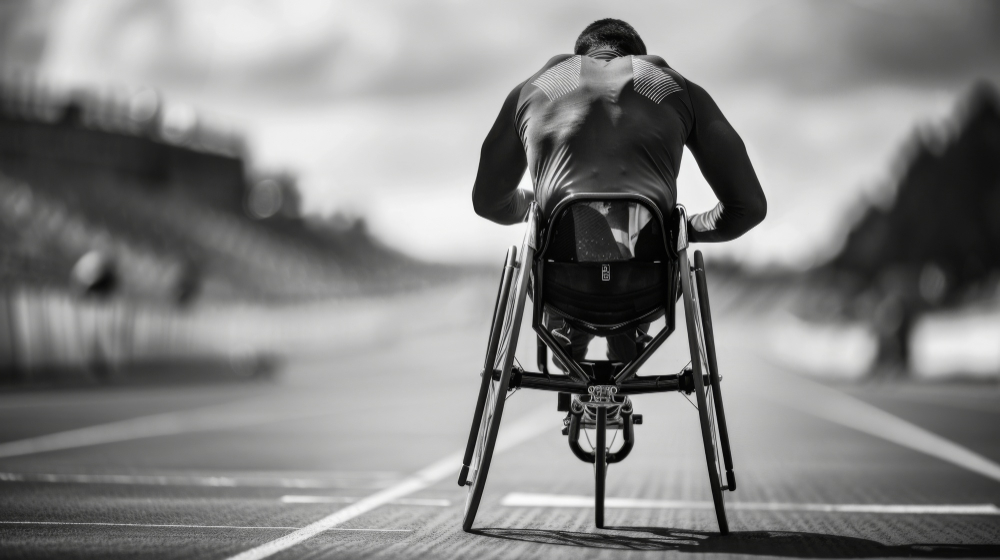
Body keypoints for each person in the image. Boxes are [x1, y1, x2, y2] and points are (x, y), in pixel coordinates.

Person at [472, 18, 766, 364]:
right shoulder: (674, 86)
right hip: (647, 287)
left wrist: (534, 207)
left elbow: (488, 202)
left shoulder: (534, 88)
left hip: (561, 286)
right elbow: (748, 206)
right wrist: (682, 228)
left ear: (580, 55)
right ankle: (629, 343)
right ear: (637, 57)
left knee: (581, 235)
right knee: (631, 238)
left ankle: (567, 343)